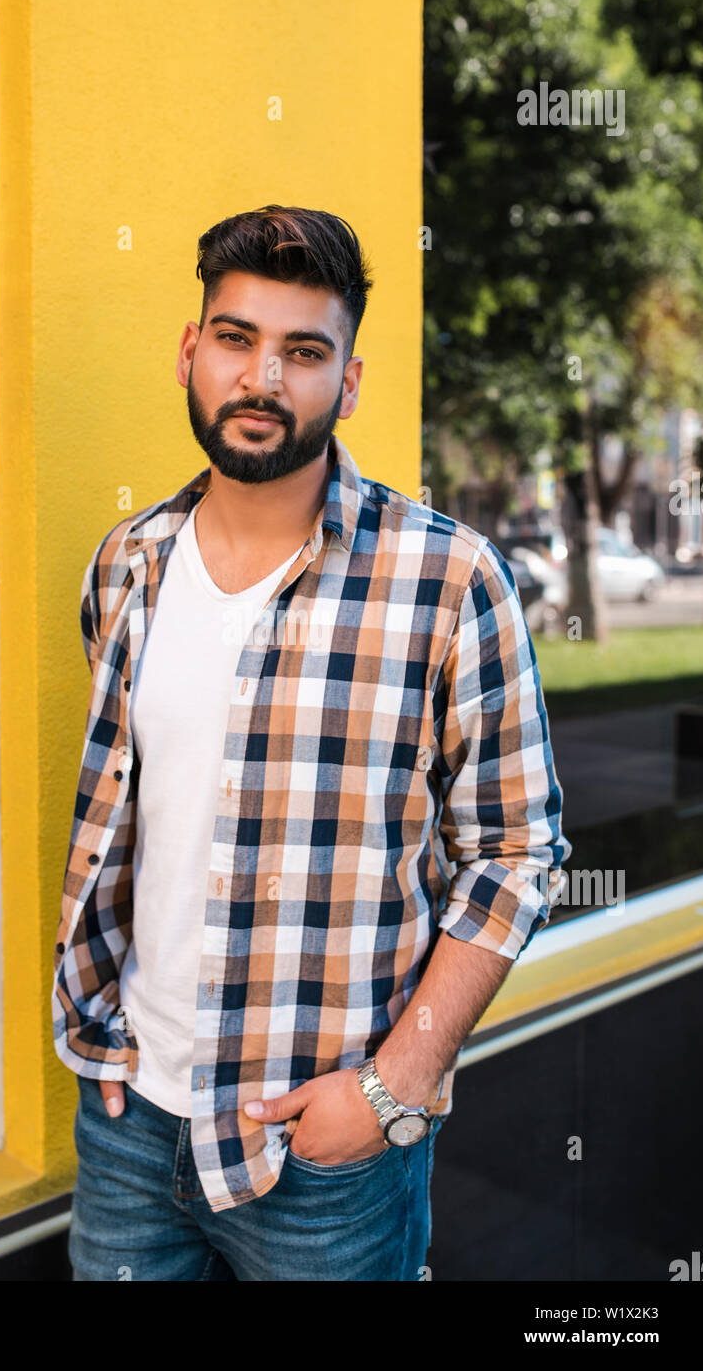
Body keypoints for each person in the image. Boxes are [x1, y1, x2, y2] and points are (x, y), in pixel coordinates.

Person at [52, 205, 570, 1281]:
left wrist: (390, 1087)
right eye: (236, 339)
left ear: (347, 379)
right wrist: (97, 1030)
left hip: (321, 1153)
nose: (263, 379)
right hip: (128, 1124)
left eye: (303, 351)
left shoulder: (448, 580)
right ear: (191, 351)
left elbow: (515, 852)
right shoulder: (126, 566)